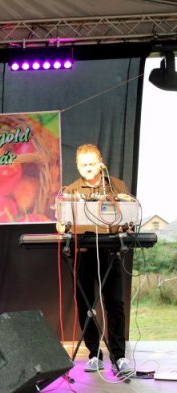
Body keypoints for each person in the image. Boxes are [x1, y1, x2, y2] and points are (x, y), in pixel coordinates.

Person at [58, 144, 134, 378]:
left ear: (101, 163)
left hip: (110, 252)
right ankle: (94, 354)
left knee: (115, 303)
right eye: (83, 165)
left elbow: (129, 219)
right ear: (77, 165)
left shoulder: (116, 186)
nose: (88, 168)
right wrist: (63, 225)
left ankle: (119, 356)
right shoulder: (71, 190)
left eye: (92, 164)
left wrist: (127, 225)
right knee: (85, 305)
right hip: (84, 252)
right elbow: (60, 225)